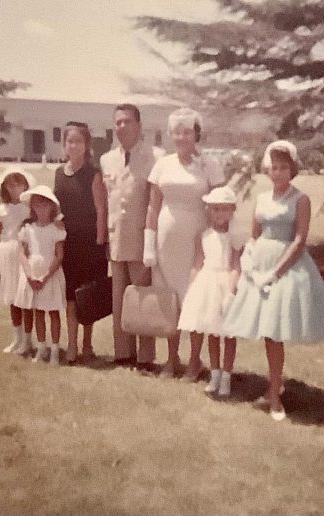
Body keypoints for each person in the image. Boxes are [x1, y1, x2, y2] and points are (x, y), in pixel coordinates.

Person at [223, 140, 324, 420]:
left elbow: (299, 240)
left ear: (292, 170)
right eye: (274, 167)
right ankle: (273, 387)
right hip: (260, 264)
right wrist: (248, 259)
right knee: (267, 332)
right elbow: (254, 234)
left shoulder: (300, 200)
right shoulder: (262, 199)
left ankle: (274, 396)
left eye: (283, 167)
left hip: (286, 266)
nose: (278, 172)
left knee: (275, 331)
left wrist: (275, 272)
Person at [144, 107, 225, 380]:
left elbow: (221, 204)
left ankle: (194, 360)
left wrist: (220, 242)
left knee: (195, 297)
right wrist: (148, 244)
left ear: (196, 134)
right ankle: (171, 358)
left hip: (197, 240)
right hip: (166, 240)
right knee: (170, 299)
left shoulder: (209, 165)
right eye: (177, 132)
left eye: (187, 131)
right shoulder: (162, 164)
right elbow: (152, 207)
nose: (181, 137)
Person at [100, 104, 159, 371]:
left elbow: (155, 202)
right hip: (116, 239)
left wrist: (151, 241)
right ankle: (123, 353)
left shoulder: (155, 157)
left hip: (141, 239)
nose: (121, 127)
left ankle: (146, 357)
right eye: (118, 122)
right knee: (119, 299)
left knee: (143, 297)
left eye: (126, 122)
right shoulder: (106, 159)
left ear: (138, 125)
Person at [178, 186, 240, 396]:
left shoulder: (234, 238)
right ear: (208, 211)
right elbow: (197, 263)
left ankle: (227, 377)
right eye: (215, 209)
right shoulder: (202, 235)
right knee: (212, 331)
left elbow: (235, 266)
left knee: (228, 334)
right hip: (207, 282)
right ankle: (214, 373)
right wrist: (191, 287)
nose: (219, 214)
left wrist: (231, 292)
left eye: (224, 209)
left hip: (225, 283)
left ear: (232, 211)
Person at [54, 123, 108, 365]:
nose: (72, 145)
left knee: (89, 296)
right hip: (68, 243)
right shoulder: (58, 173)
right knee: (70, 297)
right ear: (64, 145)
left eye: (78, 141)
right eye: (69, 141)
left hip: (90, 243)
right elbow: (56, 207)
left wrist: (100, 241)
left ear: (86, 145)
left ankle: (87, 344)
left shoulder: (93, 174)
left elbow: (100, 209)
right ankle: (72, 345)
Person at [14, 185, 67, 365]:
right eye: (37, 204)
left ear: (52, 207)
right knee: (37, 312)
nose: (41, 208)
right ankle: (42, 347)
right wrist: (30, 275)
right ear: (32, 207)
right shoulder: (28, 228)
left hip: (50, 274)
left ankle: (54, 350)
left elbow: (59, 255)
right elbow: (22, 253)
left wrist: (45, 276)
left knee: (52, 312)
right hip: (33, 274)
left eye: (45, 204)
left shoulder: (56, 228)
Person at [0, 166, 35, 354]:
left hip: (24, 254)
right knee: (12, 298)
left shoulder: (30, 209)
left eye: (18, 184)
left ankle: (28, 341)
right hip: (6, 254)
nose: (14, 189)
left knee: (25, 297)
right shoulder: (0, 211)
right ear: (4, 188)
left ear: (25, 186)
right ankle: (17, 338)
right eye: (10, 186)